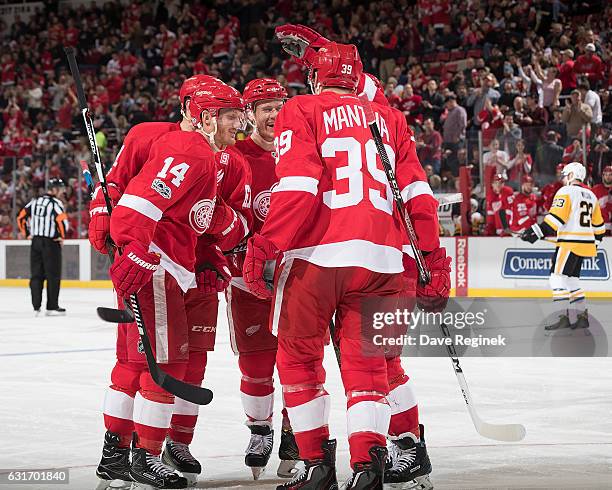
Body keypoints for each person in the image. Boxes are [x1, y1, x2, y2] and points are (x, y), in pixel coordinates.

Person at [243, 42, 448, 490]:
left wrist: (267, 243)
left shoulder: (301, 108)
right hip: (382, 258)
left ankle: (317, 466)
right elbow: (417, 197)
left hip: (318, 257)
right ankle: (370, 467)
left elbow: (298, 188)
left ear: (315, 79)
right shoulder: (391, 118)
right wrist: (431, 257)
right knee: (372, 366)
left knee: (298, 360)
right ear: (359, 78)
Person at [97, 78, 244, 490]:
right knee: (167, 364)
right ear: (207, 116)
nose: (239, 126)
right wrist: (137, 249)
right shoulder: (191, 150)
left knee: (131, 365)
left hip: (155, 265)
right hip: (157, 269)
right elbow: (138, 205)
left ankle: (114, 455)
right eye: (232, 117)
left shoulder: (200, 152)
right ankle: (145, 456)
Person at [225, 78, 300, 479]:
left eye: (279, 106)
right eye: (265, 107)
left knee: (297, 361)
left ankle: (293, 432)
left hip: (296, 279)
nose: (274, 114)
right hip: (244, 279)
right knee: (256, 364)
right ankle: (260, 430)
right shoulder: (234, 156)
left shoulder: (304, 151)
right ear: (249, 114)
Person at [521, 162, 605, 330]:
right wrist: (594, 242)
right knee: (572, 280)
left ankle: (563, 317)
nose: (564, 178)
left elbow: (554, 221)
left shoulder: (565, 192)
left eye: (566, 175)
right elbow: (600, 228)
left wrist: (534, 232)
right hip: (585, 246)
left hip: (569, 244)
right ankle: (581, 317)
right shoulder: (591, 195)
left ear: (572, 175)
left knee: (556, 278)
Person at [17, 178, 69, 316]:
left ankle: (36, 307)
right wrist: (61, 237)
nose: (62, 192)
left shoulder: (34, 202)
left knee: (36, 275)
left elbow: (21, 217)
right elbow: (62, 221)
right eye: (61, 189)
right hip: (51, 243)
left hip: (35, 243)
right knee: (53, 275)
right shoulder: (55, 203)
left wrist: (27, 233)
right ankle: (52, 307)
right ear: (55, 189)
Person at [592, 165, 612, 235]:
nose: (608, 177)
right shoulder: (596, 189)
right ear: (603, 176)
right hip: (599, 225)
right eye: (606, 174)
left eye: (610, 175)